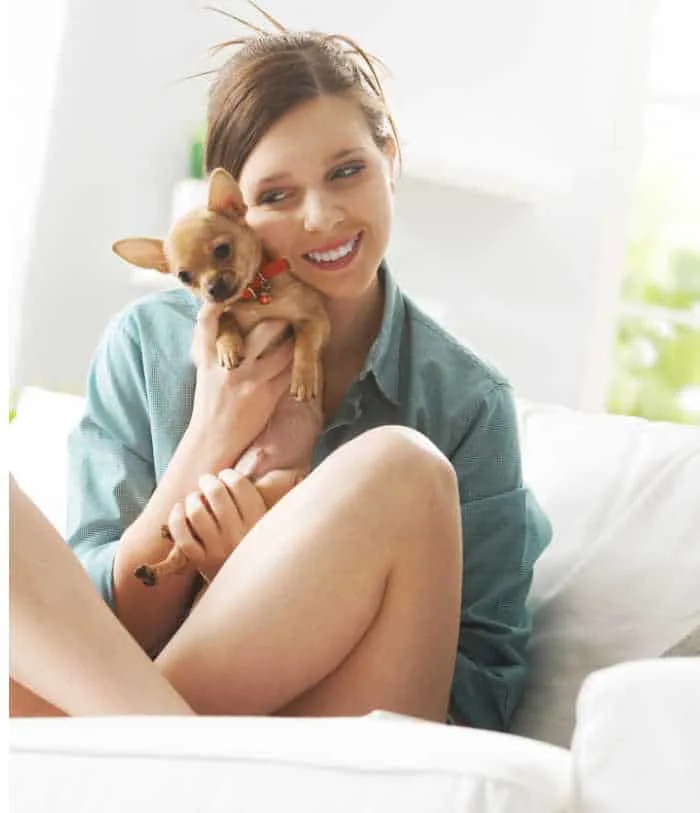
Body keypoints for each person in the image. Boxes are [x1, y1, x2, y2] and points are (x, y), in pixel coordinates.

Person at [56, 23, 551, 727]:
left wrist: (270, 578)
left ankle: (102, 751)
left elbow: (473, 702)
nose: (322, 217)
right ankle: (125, 753)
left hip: (351, 738)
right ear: (234, 214)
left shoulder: (466, 403)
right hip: (166, 712)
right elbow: (91, 634)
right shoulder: (146, 346)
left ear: (391, 159)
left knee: (403, 469)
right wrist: (210, 432)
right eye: (278, 196)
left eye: (347, 170)